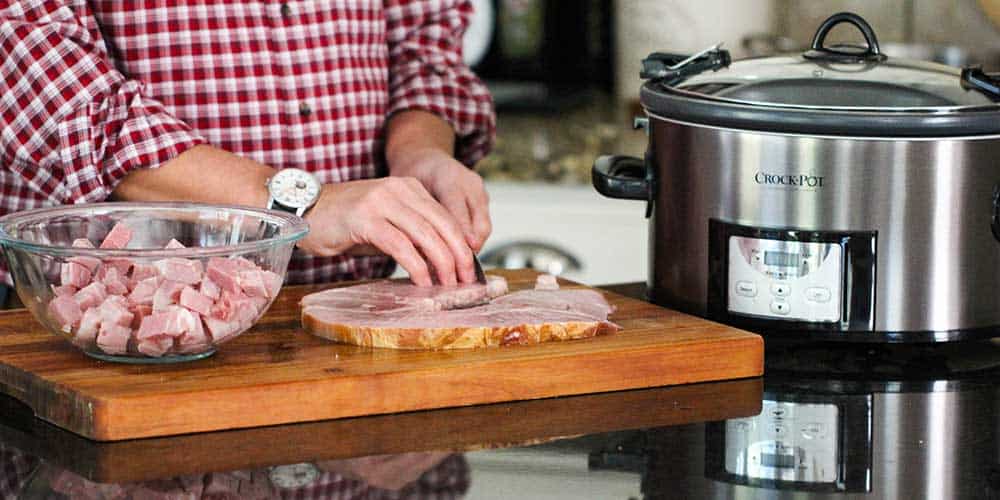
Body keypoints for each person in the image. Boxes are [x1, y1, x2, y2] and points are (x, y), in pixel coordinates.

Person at [0, 1, 496, 298]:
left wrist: (418, 153)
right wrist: (296, 206)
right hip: (108, 322)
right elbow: (45, 86)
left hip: (362, 303)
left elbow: (423, 41)